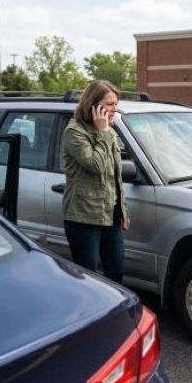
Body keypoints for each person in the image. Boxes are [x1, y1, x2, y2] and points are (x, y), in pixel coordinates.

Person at [61, 80, 130, 282]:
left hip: (110, 214)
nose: (114, 109)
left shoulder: (109, 131)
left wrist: (122, 210)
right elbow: (96, 165)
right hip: (83, 217)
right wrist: (102, 132)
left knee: (116, 273)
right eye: (109, 104)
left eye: (115, 104)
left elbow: (115, 174)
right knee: (88, 278)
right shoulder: (74, 132)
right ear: (93, 104)